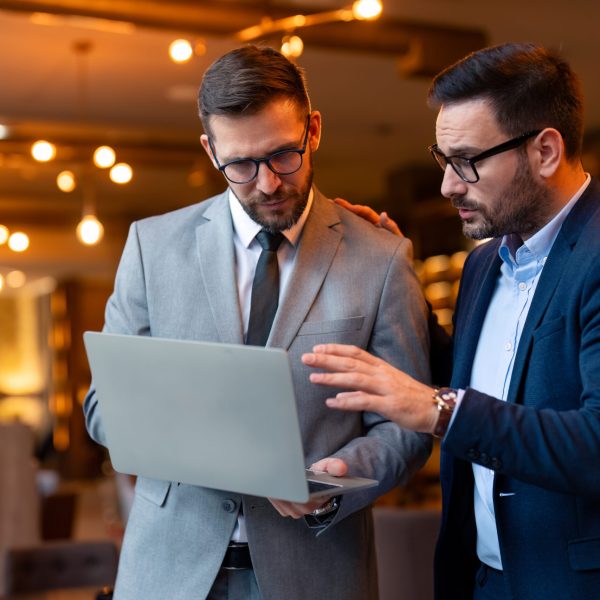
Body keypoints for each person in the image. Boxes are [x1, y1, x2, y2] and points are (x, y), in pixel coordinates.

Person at [83, 45, 432, 600]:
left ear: (313, 129)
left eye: (283, 156)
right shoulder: (151, 248)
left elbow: (410, 422)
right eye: (241, 166)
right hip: (168, 571)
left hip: (316, 570)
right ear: (210, 149)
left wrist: (341, 475)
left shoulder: (381, 259)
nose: (268, 183)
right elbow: (102, 411)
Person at [302, 42, 600, 600]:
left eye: (466, 161)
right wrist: (398, 283)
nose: (447, 186)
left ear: (546, 151)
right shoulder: (485, 264)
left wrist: (438, 411)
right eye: (443, 161)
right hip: (483, 580)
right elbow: (480, 378)